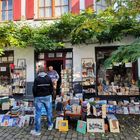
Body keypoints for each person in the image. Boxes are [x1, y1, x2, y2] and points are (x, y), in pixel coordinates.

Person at [30, 65, 53, 136]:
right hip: (47, 97)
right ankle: (50, 125)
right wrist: (49, 94)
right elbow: (51, 88)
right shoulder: (48, 78)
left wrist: (35, 96)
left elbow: (34, 89)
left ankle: (38, 130)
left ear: (39, 71)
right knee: (49, 111)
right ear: (45, 71)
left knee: (38, 113)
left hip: (38, 97)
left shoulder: (37, 79)